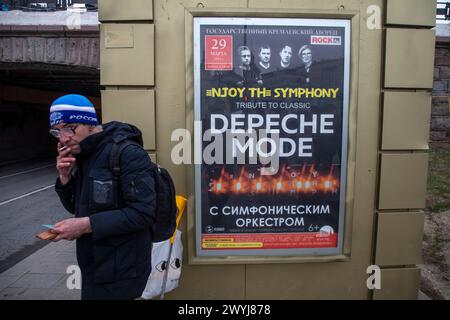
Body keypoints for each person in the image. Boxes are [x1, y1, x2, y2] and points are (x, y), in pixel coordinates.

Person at [48, 94, 156, 300]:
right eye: (57, 131)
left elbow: (143, 213)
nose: (63, 138)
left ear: (90, 125)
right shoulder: (85, 155)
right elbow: (75, 207)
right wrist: (65, 177)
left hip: (122, 269)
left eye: (70, 128)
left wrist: (85, 225)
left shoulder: (127, 153)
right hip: (94, 265)